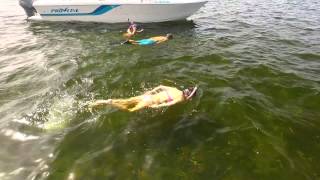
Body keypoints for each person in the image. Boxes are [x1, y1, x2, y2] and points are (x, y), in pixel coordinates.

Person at [89, 85, 197, 112]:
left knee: (126, 100)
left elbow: (160, 86)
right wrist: (156, 106)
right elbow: (167, 104)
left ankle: (98, 102)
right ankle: (110, 102)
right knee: (130, 110)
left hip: (148, 96)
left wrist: (150, 92)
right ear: (189, 97)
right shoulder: (180, 99)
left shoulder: (175, 89)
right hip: (150, 101)